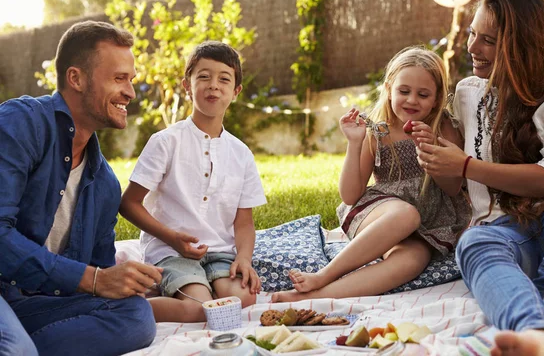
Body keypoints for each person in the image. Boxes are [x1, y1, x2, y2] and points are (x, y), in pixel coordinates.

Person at [415, 0, 544, 356]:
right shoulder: (468, 93)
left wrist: (467, 165)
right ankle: (538, 333)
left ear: (522, 48)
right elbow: (455, 186)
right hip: (503, 234)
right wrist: (438, 156)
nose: (472, 48)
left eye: (488, 40)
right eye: (471, 34)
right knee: (474, 242)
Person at [0, 20, 163, 356]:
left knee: (136, 316)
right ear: (76, 78)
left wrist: (120, 282)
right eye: (119, 78)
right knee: (18, 349)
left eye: (130, 80)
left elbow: (100, 280)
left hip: (35, 304)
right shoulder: (22, 123)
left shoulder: (104, 184)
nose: (131, 92)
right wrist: (94, 280)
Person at [272, 47, 471, 303]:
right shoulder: (378, 131)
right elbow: (350, 195)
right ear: (389, 89)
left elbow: (454, 188)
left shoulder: (443, 128)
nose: (412, 100)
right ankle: (325, 275)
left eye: (423, 94)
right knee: (406, 214)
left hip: (428, 223)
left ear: (436, 98)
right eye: (403, 91)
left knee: (413, 261)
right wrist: (354, 144)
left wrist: (432, 154)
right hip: (381, 213)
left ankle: (314, 297)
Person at [119, 41, 266, 323]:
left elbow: (244, 221)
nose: (214, 85)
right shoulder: (165, 142)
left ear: (235, 91)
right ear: (187, 85)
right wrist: (172, 237)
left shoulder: (242, 154)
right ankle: (125, 307)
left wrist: (244, 259)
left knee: (244, 297)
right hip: (170, 250)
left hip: (220, 252)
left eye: (224, 79)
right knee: (198, 309)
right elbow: (129, 204)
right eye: (204, 77)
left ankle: (183, 289)